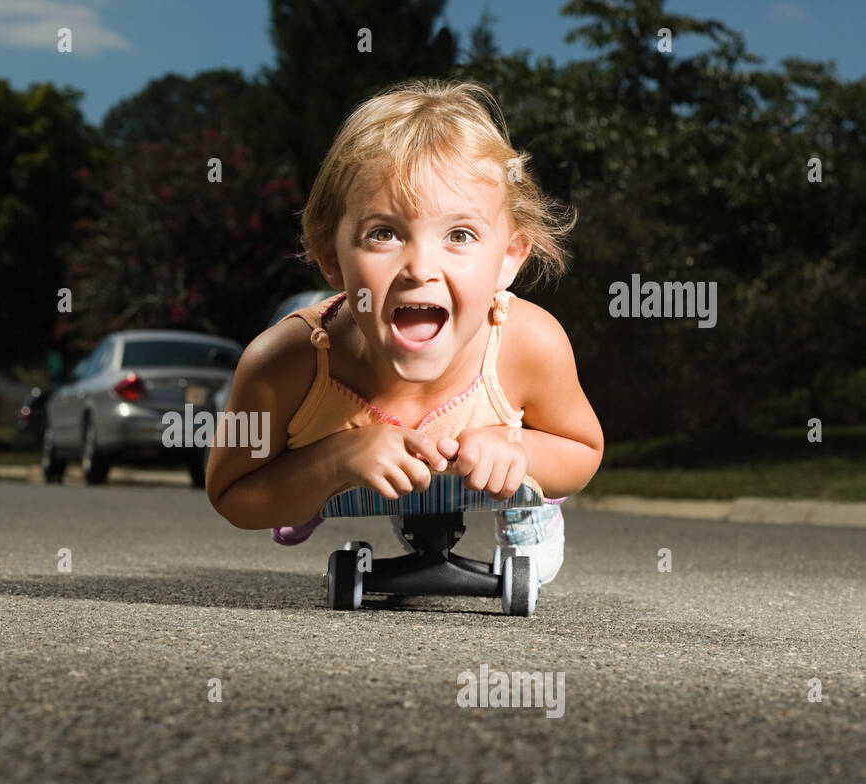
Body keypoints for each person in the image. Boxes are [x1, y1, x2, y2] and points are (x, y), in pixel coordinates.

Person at [206, 79, 604, 585]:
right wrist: (334, 459)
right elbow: (233, 493)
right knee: (310, 474)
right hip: (332, 449)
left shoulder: (526, 342)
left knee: (519, 470)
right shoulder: (287, 361)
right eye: (384, 233)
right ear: (332, 260)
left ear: (509, 258)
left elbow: (582, 450)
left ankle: (524, 508)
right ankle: (314, 474)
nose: (420, 268)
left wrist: (517, 449)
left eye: (460, 235)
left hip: (487, 462)